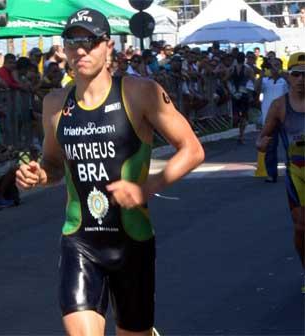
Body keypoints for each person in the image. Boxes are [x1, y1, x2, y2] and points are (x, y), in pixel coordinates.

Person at [16, 8, 204, 336]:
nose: (81, 50)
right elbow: (53, 165)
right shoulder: (55, 104)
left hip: (132, 241)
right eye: (73, 42)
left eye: (90, 42)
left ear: (108, 47)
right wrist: (39, 175)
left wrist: (149, 186)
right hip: (80, 241)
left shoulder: (139, 92)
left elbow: (192, 149)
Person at [257, 52, 305, 274]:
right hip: (297, 172)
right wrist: (262, 144)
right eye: (297, 74)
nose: (301, 79)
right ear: (289, 77)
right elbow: (262, 137)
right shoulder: (279, 106)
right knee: (301, 227)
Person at [255, 58, 288, 183]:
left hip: (285, 118)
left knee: (289, 146)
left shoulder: (284, 80)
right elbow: (257, 89)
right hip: (269, 119)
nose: (274, 67)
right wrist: (261, 74)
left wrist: (280, 72)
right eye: (273, 65)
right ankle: (271, 174)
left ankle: (293, 170)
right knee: (270, 147)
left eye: (277, 65)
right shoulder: (264, 81)